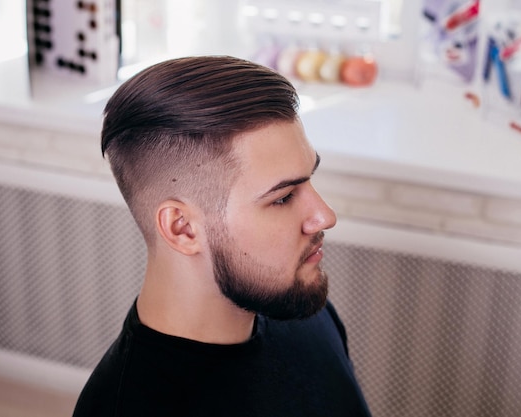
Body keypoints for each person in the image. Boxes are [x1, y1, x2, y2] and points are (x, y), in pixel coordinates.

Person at [72, 55, 372, 417]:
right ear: (182, 229)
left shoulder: (304, 310)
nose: (325, 216)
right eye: (283, 198)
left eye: (309, 180)